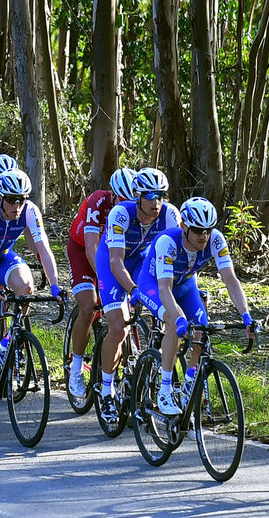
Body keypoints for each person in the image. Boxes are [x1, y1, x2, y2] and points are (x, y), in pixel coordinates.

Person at [0, 169, 65, 422]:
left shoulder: (30, 211)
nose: (17, 206)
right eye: (11, 200)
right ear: (0, 197)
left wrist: (55, 286)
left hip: (3, 257)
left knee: (26, 288)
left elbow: (44, 250)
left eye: (22, 199)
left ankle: (8, 341)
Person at [134, 197, 256, 416]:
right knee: (173, 322)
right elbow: (165, 289)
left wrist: (246, 315)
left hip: (185, 285)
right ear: (184, 226)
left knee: (202, 331)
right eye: (198, 230)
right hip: (154, 285)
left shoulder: (215, 240)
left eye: (208, 230)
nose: (204, 236)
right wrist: (179, 318)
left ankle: (189, 383)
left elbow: (230, 279)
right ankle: (164, 390)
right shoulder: (168, 242)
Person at [92, 166, 181, 422]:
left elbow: (176, 259)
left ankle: (149, 379)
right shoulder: (121, 213)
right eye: (150, 195)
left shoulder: (170, 215)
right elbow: (116, 262)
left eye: (161, 195)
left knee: (166, 312)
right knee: (118, 326)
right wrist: (133, 291)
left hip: (142, 262)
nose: (156, 202)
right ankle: (106, 389)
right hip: (113, 263)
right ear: (138, 197)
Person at [65, 167, 137, 399]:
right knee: (88, 305)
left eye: (132, 202)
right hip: (82, 250)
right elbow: (91, 247)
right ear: (113, 195)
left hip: (113, 255)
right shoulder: (98, 201)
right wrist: (108, 280)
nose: (127, 206)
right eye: (123, 201)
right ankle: (76, 367)